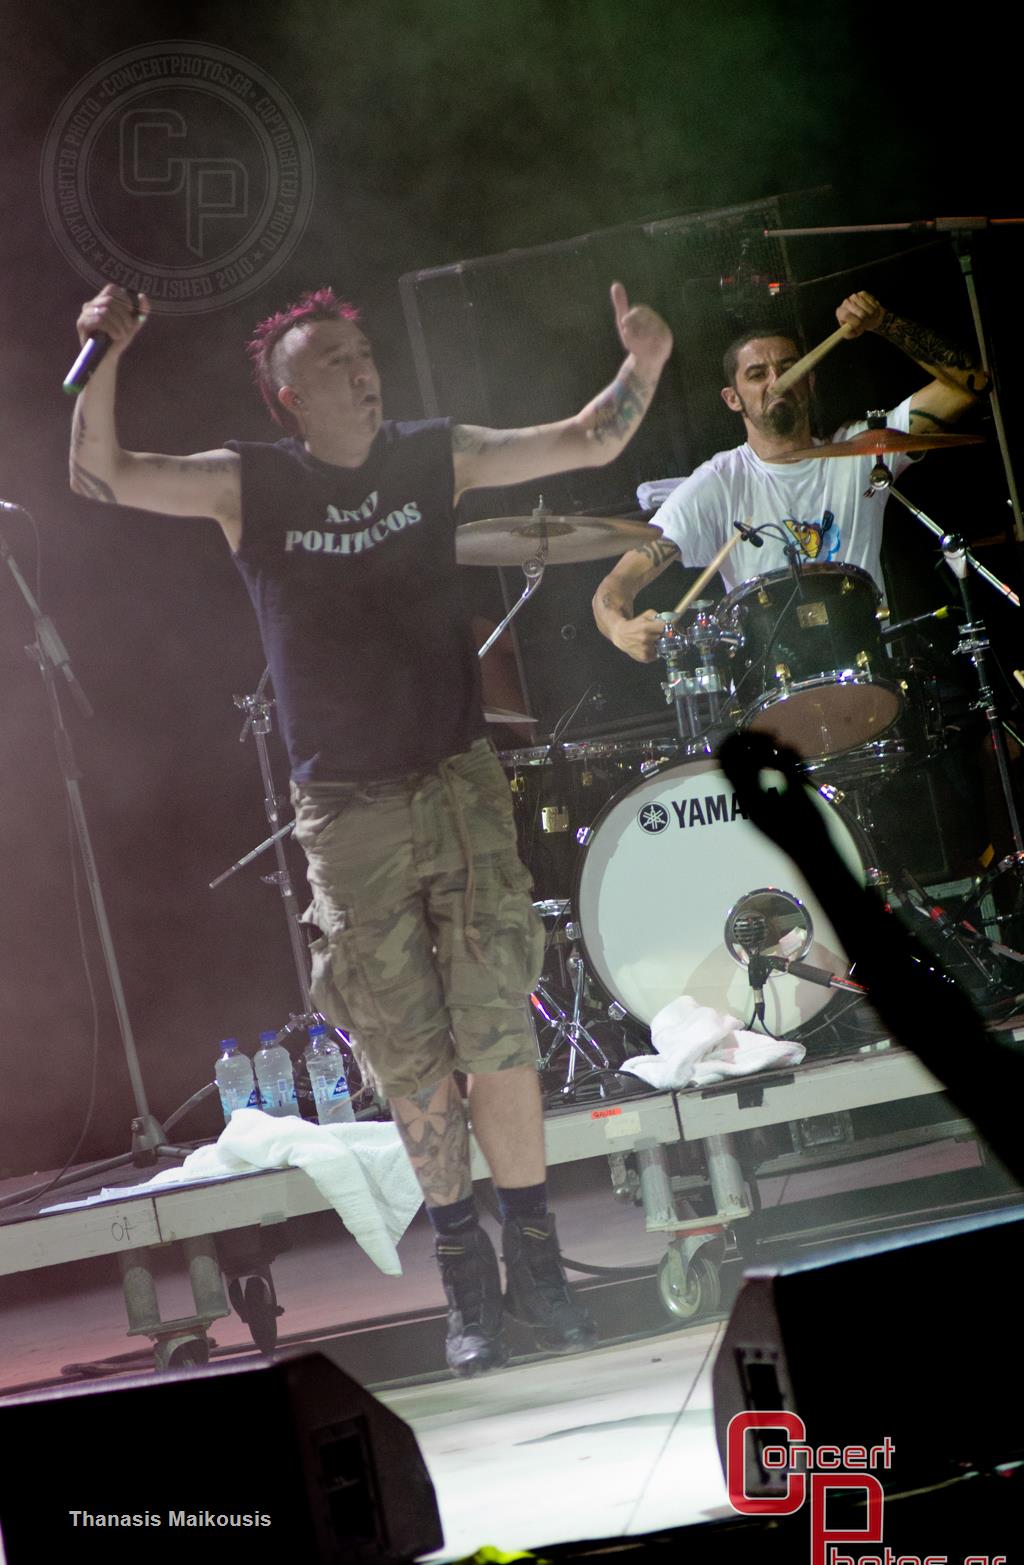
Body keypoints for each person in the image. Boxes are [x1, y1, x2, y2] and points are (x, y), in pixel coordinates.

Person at [69, 279, 673, 1378]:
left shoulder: (431, 455)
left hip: (456, 780)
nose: (364, 372)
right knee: (405, 1044)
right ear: (291, 395)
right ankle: (466, 1274)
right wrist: (101, 353)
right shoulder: (251, 482)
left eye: (366, 355)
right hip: (347, 809)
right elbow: (99, 474)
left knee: (495, 1023)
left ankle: (538, 1262)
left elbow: (588, 436)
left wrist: (645, 360)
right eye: (337, 362)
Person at [592, 290, 988, 664]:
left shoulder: (861, 453)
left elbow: (969, 385)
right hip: (774, 681)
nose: (775, 381)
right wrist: (619, 629)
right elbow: (616, 585)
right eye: (757, 374)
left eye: (788, 368)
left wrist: (883, 322)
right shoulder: (718, 483)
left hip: (868, 670)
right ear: (732, 398)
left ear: (809, 381)